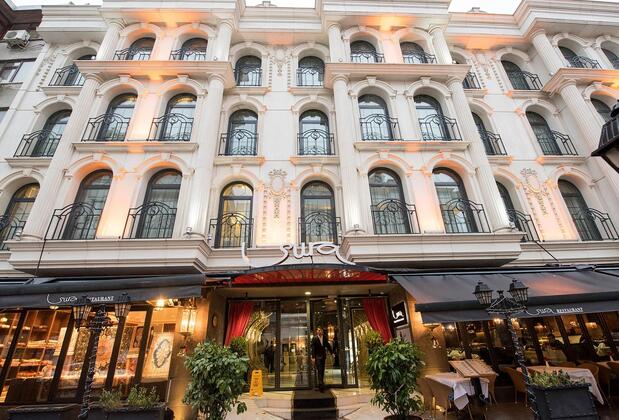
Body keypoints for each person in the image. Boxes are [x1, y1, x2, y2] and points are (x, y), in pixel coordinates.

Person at [311, 327, 333, 392]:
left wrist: (332, 353)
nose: (319, 331)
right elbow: (313, 348)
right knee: (319, 370)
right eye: (318, 330)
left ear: (322, 331)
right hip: (317, 357)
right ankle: (321, 385)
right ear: (317, 331)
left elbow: (328, 345)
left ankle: (321, 383)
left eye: (320, 330)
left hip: (323, 356)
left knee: (322, 370)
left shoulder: (325, 337)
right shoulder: (314, 338)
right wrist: (313, 357)